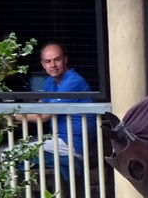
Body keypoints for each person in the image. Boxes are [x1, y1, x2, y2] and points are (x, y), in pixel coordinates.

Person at [14, 43, 93, 183]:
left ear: (65, 60)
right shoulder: (50, 82)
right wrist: (19, 110)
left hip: (72, 143)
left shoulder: (74, 81)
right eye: (48, 61)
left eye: (57, 60)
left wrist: (13, 115)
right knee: (10, 151)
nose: (53, 65)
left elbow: (44, 116)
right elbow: (41, 106)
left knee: (8, 154)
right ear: (43, 64)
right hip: (59, 141)